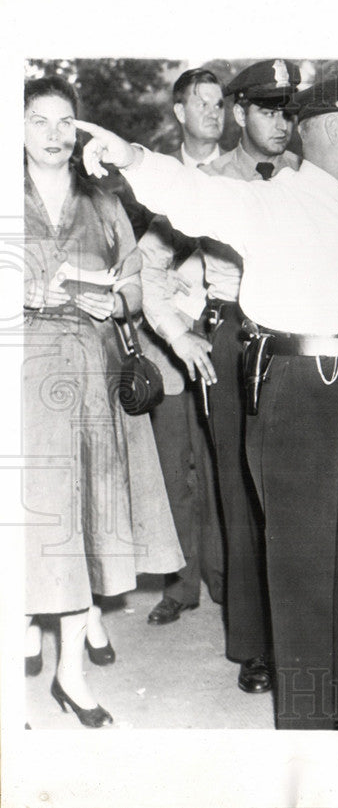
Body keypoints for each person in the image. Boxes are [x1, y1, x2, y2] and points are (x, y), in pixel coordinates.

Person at [77, 70, 338, 732]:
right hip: (308, 386)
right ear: (330, 128)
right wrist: (133, 158)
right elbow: (194, 196)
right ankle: (308, 729)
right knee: (306, 565)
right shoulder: (276, 197)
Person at [22, 76, 182, 727]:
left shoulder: (104, 198)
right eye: (39, 121)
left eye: (67, 122)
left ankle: (70, 674)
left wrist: (113, 300)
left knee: (79, 519)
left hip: (89, 369)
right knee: (25, 524)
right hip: (19, 371)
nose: (56, 135)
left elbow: (136, 283)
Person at [141, 60, 302, 695]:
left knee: (305, 494)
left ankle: (322, 631)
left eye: (288, 110)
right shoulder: (208, 183)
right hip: (235, 337)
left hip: (303, 340)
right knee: (241, 494)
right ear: (238, 114)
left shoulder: (309, 179)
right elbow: (149, 264)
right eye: (266, 108)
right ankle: (254, 643)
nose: (281, 122)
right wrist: (179, 334)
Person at [139, 68, 227, 628]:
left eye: (220, 104)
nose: (213, 113)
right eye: (201, 103)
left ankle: (228, 578)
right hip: (168, 349)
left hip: (227, 342)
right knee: (178, 468)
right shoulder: (155, 178)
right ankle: (181, 583)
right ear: (179, 112)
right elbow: (142, 259)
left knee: (226, 466)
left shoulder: (248, 178)